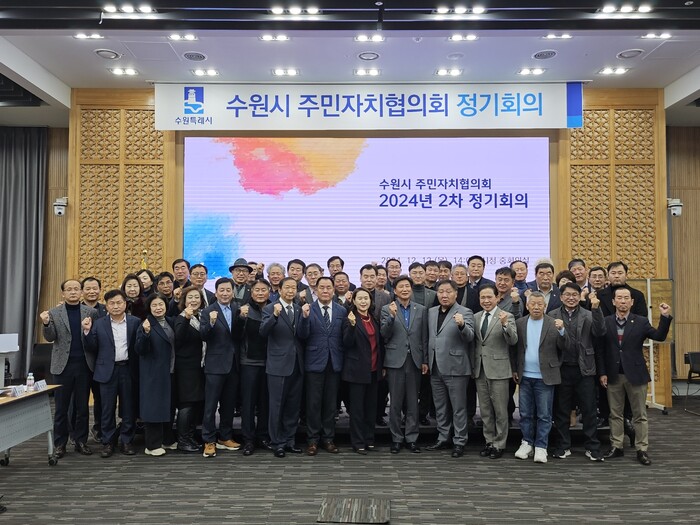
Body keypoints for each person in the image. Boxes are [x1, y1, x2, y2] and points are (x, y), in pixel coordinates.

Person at [599, 286, 672, 466]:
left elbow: (659, 336)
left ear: (631, 302)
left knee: (640, 414)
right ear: (613, 301)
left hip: (636, 375)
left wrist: (664, 317)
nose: (623, 301)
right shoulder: (606, 321)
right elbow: (600, 350)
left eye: (626, 298)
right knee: (615, 414)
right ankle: (617, 446)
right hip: (613, 375)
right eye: (619, 298)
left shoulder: (641, 321)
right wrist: (602, 372)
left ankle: (641, 449)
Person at [40, 279, 98, 458]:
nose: (73, 292)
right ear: (63, 293)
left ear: (81, 292)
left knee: (82, 408)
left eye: (76, 289)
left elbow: (95, 336)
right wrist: (46, 323)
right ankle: (60, 444)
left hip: (84, 365)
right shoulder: (54, 312)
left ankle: (81, 441)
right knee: (61, 408)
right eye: (69, 289)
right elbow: (50, 337)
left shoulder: (91, 312)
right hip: (62, 366)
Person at [549, 283, 606, 461]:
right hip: (561, 368)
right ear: (561, 297)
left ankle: (592, 447)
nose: (571, 298)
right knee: (562, 410)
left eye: (575, 294)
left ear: (580, 296)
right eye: (567, 294)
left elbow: (600, 332)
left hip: (585, 369)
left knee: (589, 409)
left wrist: (596, 310)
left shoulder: (589, 314)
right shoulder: (552, 315)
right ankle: (563, 445)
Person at [82, 289, 140, 458]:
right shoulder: (99, 323)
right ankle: (108, 442)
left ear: (125, 304)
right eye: (112, 303)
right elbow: (91, 347)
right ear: (106, 306)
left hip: (128, 369)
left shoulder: (135, 322)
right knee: (107, 408)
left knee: (128, 407)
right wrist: (87, 331)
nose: (116, 306)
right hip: (107, 370)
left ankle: (126, 440)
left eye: (119, 303)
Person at [512, 292, 565, 464]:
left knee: (544, 415)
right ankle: (527, 443)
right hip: (525, 376)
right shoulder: (520, 323)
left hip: (545, 377)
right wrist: (515, 369)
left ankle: (541, 446)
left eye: (539, 304)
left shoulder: (553, 323)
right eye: (532, 304)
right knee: (525, 413)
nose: (536, 307)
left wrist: (562, 331)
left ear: (545, 306)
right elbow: (515, 349)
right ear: (527, 306)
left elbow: (564, 347)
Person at [260, 277, 310, 458]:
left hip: (297, 364)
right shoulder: (269, 308)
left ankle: (290, 441)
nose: (290, 291)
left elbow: (303, 335)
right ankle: (277, 442)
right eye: (287, 287)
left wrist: (305, 318)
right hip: (278, 365)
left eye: (293, 288)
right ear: (279, 290)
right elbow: (263, 332)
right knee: (277, 405)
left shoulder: (298, 308)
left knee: (293, 406)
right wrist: (274, 316)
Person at [425, 280, 475, 458]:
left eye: (448, 291)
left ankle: (459, 441)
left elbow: (470, 337)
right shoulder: (431, 312)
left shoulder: (465, 312)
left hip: (456, 367)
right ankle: (443, 437)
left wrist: (462, 325)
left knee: (458, 407)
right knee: (440, 406)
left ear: (456, 293)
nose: (444, 295)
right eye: (441, 292)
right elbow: (430, 338)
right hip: (435, 366)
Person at [380, 275, 428, 454]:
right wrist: (392, 317)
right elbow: (384, 334)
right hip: (395, 360)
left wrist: (425, 360)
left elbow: (424, 336)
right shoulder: (387, 309)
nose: (405, 289)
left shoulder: (421, 309)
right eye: (401, 287)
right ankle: (396, 439)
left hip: (415, 360)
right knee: (395, 403)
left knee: (413, 403)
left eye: (407, 286)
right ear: (395, 290)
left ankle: (412, 438)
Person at [472, 283, 518, 460]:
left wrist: (505, 324)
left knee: (500, 411)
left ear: (497, 298)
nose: (486, 300)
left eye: (489, 297)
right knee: (485, 410)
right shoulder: (476, 317)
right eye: (482, 297)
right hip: (480, 369)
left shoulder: (507, 316)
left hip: (499, 369)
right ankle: (489, 441)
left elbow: (513, 340)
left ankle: (500, 444)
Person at [303, 276, 347, 456]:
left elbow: (344, 337)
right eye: (322, 287)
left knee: (330, 404)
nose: (325, 291)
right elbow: (302, 335)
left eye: (329, 287)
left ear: (334, 290)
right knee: (313, 403)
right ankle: (312, 440)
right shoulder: (308, 309)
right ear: (316, 290)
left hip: (334, 362)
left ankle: (328, 438)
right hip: (314, 362)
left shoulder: (342, 310)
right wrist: (304, 318)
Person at [199, 277, 241, 458]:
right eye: (221, 290)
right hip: (215, 365)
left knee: (229, 404)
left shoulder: (237, 308)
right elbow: (203, 335)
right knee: (210, 405)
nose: (225, 293)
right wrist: (211, 323)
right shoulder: (208, 311)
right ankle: (209, 440)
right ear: (215, 293)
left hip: (234, 364)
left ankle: (225, 437)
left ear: (233, 292)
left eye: (228, 290)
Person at [342, 287, 384, 454]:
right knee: (357, 410)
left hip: (373, 370)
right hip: (356, 371)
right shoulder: (350, 318)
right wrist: (352, 326)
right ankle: (358, 441)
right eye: (359, 298)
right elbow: (346, 343)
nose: (363, 301)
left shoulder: (374, 319)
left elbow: (379, 344)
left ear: (370, 300)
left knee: (371, 408)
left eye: (366, 298)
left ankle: (369, 439)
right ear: (354, 301)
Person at [135, 294, 177, 456]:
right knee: (154, 408)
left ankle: (167, 439)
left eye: (161, 304)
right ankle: (152, 445)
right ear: (149, 308)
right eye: (154, 305)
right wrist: (145, 333)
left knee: (168, 406)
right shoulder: (145, 324)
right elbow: (140, 349)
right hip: (153, 373)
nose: (158, 308)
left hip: (170, 370)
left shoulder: (170, 321)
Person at [235, 279, 273, 455]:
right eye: (257, 290)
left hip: (270, 363)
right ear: (251, 292)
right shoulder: (244, 309)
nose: (260, 293)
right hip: (248, 362)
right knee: (248, 403)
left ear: (269, 291)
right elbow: (236, 335)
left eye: (263, 290)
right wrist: (240, 318)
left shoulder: (274, 308)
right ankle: (248, 439)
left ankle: (263, 436)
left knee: (265, 402)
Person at [173, 286, 206, 453]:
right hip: (185, 368)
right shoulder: (181, 318)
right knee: (186, 404)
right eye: (190, 297)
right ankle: (183, 440)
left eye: (197, 297)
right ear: (184, 301)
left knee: (195, 404)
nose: (194, 300)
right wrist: (186, 318)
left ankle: (190, 437)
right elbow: (178, 339)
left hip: (198, 367)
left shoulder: (200, 316)